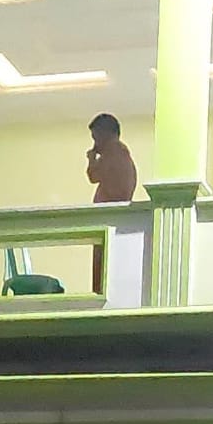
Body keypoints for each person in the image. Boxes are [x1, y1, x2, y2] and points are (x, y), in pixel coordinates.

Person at [87, 112, 137, 292]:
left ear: (106, 134)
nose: (95, 144)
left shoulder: (114, 153)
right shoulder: (120, 155)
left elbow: (93, 176)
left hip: (109, 219)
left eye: (96, 138)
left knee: (104, 271)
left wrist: (92, 158)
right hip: (109, 219)